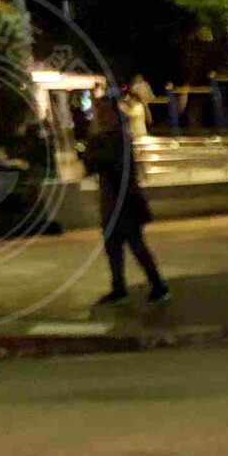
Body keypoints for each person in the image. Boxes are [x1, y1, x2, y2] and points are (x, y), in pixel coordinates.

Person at [80, 93, 166, 308]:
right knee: (114, 247)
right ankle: (120, 287)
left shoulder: (117, 138)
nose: (100, 116)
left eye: (103, 112)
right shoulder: (105, 138)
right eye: (98, 112)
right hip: (111, 202)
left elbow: (105, 164)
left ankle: (157, 285)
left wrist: (91, 150)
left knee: (136, 245)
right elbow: (92, 167)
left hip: (124, 202)